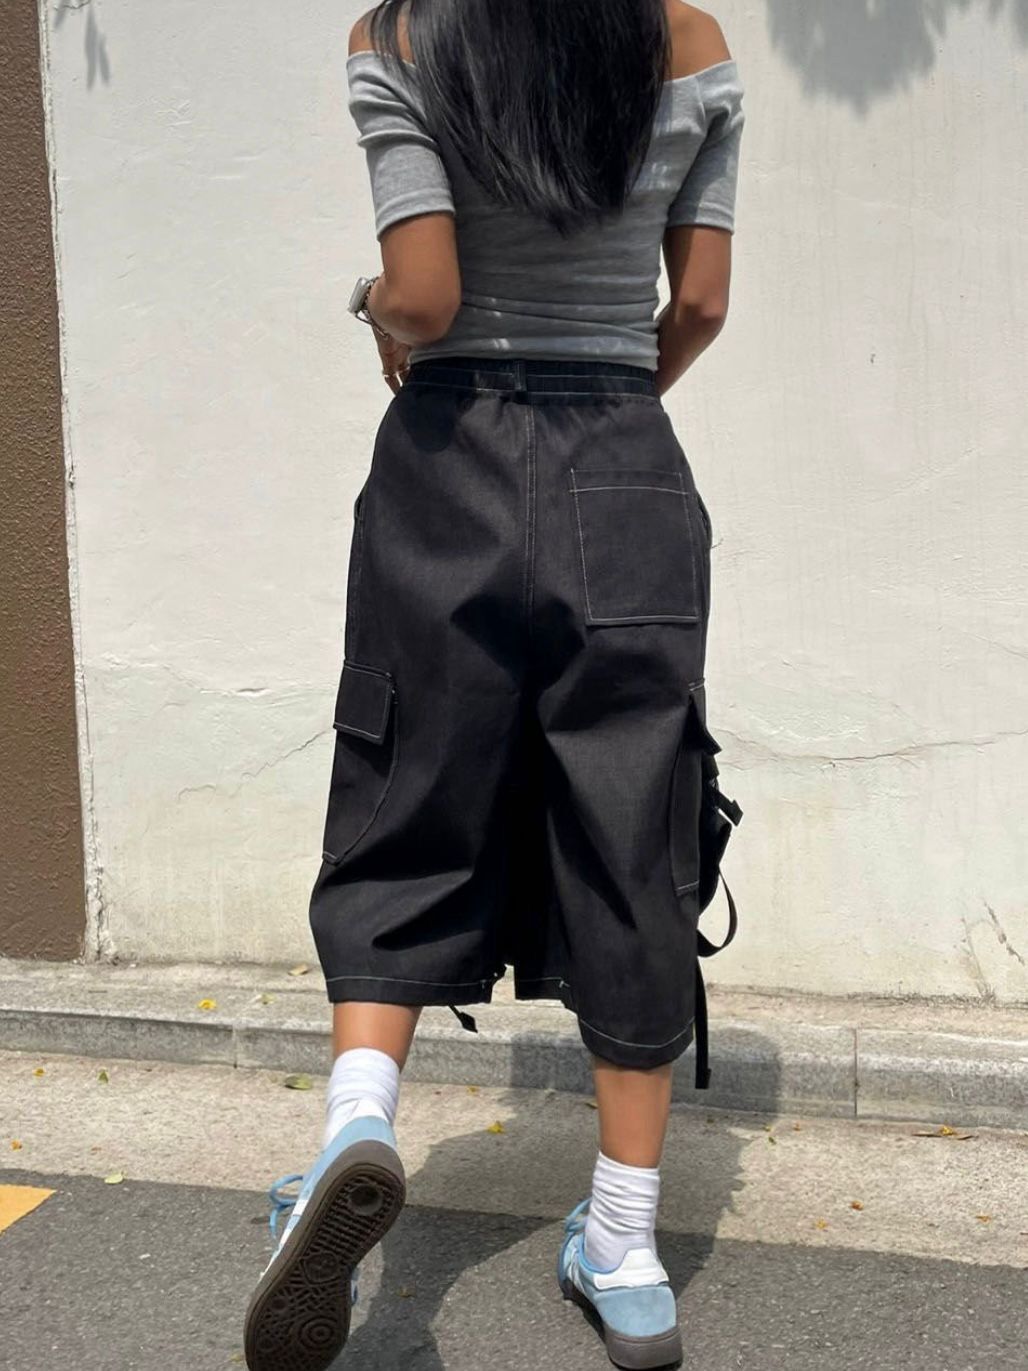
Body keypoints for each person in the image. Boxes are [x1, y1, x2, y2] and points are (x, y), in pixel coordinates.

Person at [243, 1, 745, 1367]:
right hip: (624, 464)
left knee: (407, 783)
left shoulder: (402, 35)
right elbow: (701, 303)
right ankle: (626, 1243)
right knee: (633, 821)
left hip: (448, 461)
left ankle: (355, 1125)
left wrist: (369, 308)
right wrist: (614, 403)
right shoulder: (691, 41)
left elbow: (426, 297)